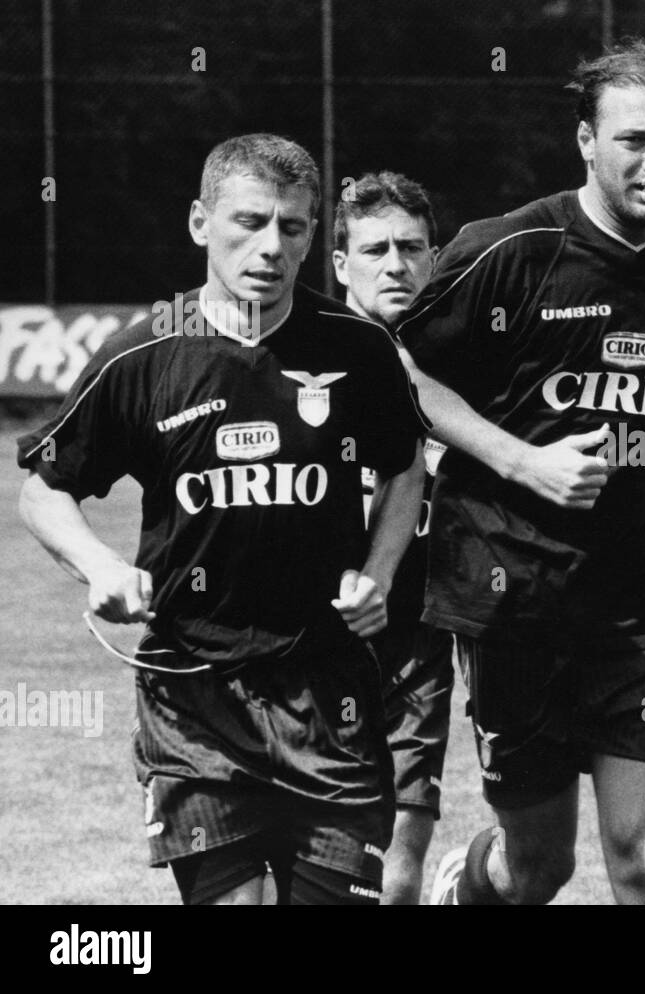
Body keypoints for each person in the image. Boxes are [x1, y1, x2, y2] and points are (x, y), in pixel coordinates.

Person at [16, 134, 429, 905]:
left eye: (293, 227)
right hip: (194, 697)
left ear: (313, 235)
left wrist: (379, 573)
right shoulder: (142, 355)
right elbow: (43, 485)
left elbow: (403, 464)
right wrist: (101, 567)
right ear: (201, 223)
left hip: (330, 691)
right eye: (249, 222)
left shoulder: (358, 349)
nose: (271, 247)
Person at [394, 37, 645, 905]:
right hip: (518, 595)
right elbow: (404, 372)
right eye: (633, 140)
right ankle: (468, 885)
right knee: (539, 866)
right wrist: (523, 461)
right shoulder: (507, 252)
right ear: (586, 140)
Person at [331, 170, 455, 904]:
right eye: (374, 249)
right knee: (321, 851)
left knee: (400, 847)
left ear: (434, 257)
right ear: (341, 264)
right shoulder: (300, 359)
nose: (395, 264)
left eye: (411, 247)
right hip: (313, 636)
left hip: (420, 631)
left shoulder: (464, 363)